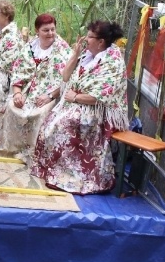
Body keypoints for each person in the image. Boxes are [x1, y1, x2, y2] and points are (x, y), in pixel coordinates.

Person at [30, 20, 128, 194]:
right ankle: (52, 171)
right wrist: (75, 55)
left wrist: (75, 97)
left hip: (95, 112)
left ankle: (73, 176)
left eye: (90, 37)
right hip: (74, 104)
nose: (84, 39)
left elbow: (101, 97)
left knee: (65, 125)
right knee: (48, 124)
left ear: (101, 41)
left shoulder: (112, 61)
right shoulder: (87, 55)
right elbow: (65, 77)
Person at [0, 13, 72, 162]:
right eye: (46, 30)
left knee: (39, 113)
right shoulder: (30, 47)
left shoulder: (62, 49)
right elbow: (18, 72)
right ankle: (12, 149)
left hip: (52, 94)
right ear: (37, 31)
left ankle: (33, 153)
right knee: (13, 107)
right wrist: (17, 93)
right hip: (27, 91)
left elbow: (67, 80)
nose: (50, 33)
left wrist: (49, 96)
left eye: (53, 29)